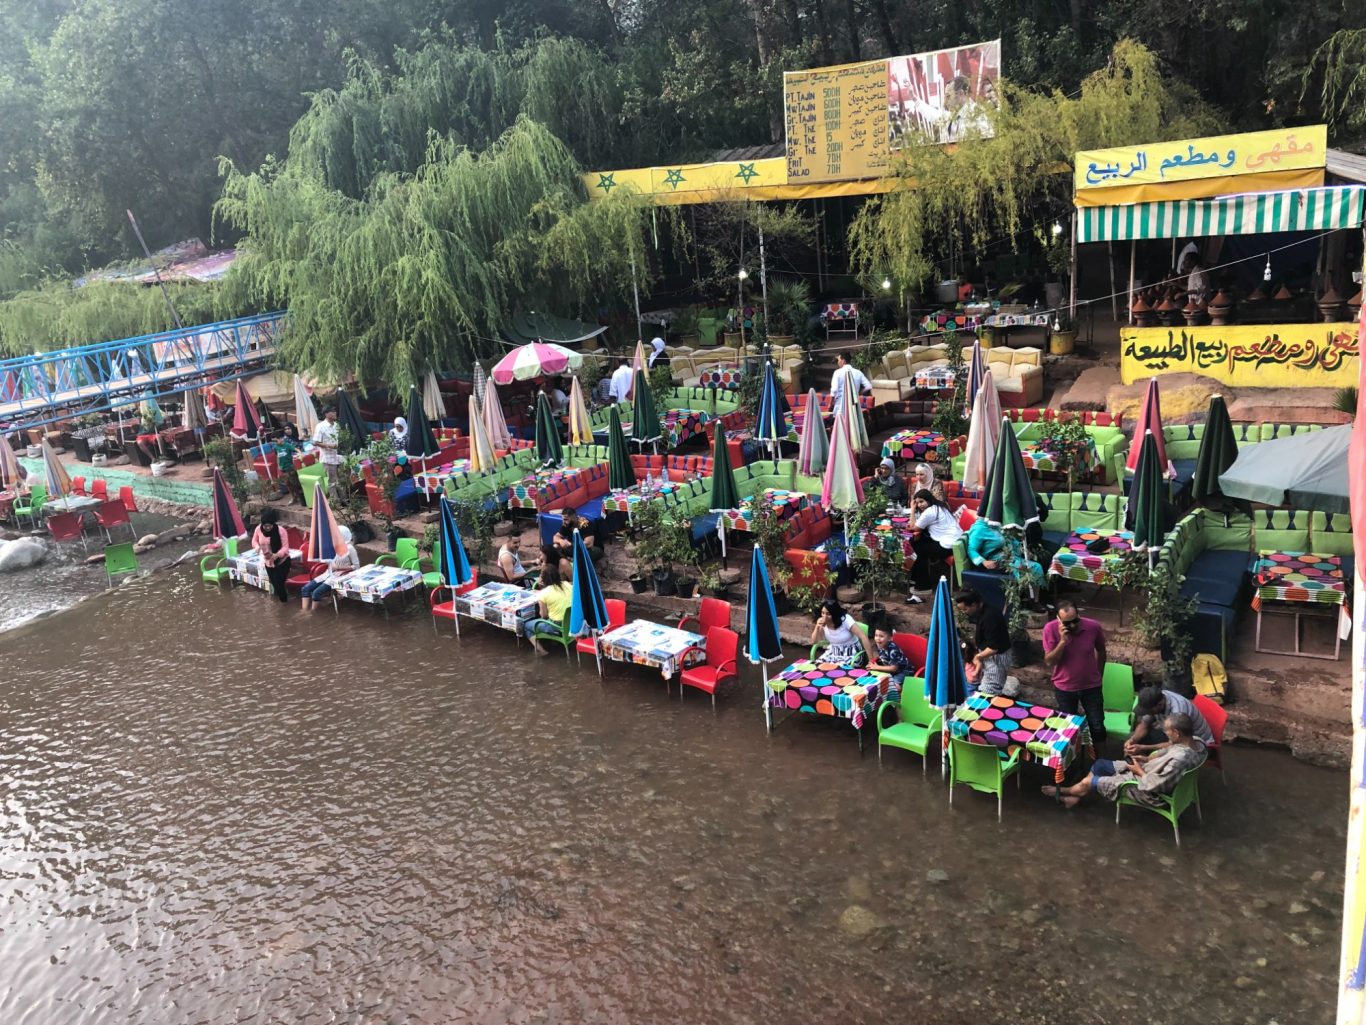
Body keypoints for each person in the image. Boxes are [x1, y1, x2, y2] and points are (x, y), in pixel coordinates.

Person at [1042, 712, 1207, 808]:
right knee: (1099, 764)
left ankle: (1065, 791)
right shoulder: (1198, 743)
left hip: (1147, 790)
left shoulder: (1180, 759)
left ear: (1177, 733)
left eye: (1169, 732)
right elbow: (1166, 752)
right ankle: (1077, 795)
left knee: (1090, 782)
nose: (1167, 734)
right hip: (1146, 770)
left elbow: (1156, 784)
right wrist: (1144, 757)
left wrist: (1138, 770)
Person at [1042, 600, 1108, 742]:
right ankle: (1071, 762)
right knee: (1067, 729)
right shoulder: (1050, 629)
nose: (1072, 625)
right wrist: (1062, 642)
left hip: (1091, 687)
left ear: (1079, 614)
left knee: (1097, 726)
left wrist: (1099, 674)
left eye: (1075, 621)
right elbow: (1049, 661)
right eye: (1067, 623)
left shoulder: (1093, 627)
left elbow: (1101, 651)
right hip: (1064, 688)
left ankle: (1100, 760)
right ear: (1058, 620)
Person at [955, 588, 1015, 697]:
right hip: (988, 654)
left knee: (988, 693)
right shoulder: (983, 610)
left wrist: (978, 657)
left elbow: (993, 648)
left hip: (996, 658)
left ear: (973, 604)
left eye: (965, 609)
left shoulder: (990, 617)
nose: (964, 613)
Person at [1126, 686, 1214, 754]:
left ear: (1159, 705)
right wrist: (1133, 740)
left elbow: (1175, 743)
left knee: (1156, 755)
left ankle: (1146, 770)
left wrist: (1143, 747)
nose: (1147, 713)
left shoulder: (1178, 712)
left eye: (1149, 711)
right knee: (1137, 739)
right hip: (1174, 734)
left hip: (1196, 743)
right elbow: (1144, 724)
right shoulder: (1158, 697)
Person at [908, 489, 963, 596]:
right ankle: (915, 579)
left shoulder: (929, 512)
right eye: (917, 503)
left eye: (922, 502)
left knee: (917, 549)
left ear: (928, 500)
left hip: (948, 545)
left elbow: (913, 528)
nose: (920, 505)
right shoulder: (940, 507)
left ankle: (923, 586)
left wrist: (913, 510)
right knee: (919, 543)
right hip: (956, 541)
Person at [299, 525, 359, 612]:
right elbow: (328, 560)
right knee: (305, 589)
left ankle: (312, 613)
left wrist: (339, 567)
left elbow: (356, 567)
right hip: (328, 573)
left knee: (316, 593)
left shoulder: (350, 549)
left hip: (340, 576)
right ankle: (304, 611)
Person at [965, 517, 1043, 582]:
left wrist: (1023, 550)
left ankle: (1036, 596)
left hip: (1011, 556)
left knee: (1039, 562)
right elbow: (971, 550)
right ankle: (1032, 598)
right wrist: (984, 562)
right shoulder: (979, 528)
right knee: (1035, 568)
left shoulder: (997, 524)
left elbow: (1009, 539)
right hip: (997, 561)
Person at [527, 562, 574, 656]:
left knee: (526, 625)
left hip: (557, 627)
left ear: (543, 579)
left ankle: (542, 651)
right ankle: (554, 643)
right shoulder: (568, 584)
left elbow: (543, 616)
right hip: (572, 622)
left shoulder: (543, 594)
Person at [811, 599, 875, 665]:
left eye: (828, 614)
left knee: (837, 670)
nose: (824, 617)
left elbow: (863, 636)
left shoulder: (845, 620)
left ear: (835, 614)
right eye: (823, 613)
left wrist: (871, 660)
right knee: (818, 666)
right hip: (833, 653)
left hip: (851, 654)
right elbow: (814, 642)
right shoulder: (822, 623)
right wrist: (817, 627)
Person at [252, 507, 293, 603]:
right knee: (275, 584)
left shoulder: (281, 531)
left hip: (282, 562)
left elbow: (286, 547)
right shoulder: (258, 529)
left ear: (273, 524)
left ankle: (285, 603)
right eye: (265, 526)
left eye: (269, 526)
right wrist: (257, 547)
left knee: (279, 584)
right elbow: (254, 540)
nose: (267, 528)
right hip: (268, 562)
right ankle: (284, 600)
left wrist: (277, 554)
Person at [867, 621, 914, 700]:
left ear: (890, 638)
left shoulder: (893, 650)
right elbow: (883, 658)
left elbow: (894, 668)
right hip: (891, 670)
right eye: (876, 635)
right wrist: (875, 664)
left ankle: (901, 693)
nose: (877, 638)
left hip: (904, 671)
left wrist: (877, 667)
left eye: (881, 636)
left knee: (893, 687)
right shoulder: (880, 644)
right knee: (875, 680)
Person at [275, 423, 306, 505]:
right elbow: (278, 456)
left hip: (297, 462)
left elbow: (298, 449)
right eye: (285, 429)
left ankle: (301, 497)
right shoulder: (282, 443)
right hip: (287, 466)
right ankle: (294, 497)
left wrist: (300, 453)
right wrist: (279, 466)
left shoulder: (296, 438)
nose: (287, 431)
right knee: (289, 483)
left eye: (289, 428)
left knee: (296, 482)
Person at [313, 406, 342, 485]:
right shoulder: (320, 426)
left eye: (335, 411)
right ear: (326, 414)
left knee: (341, 480)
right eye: (332, 411)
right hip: (328, 459)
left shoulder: (336, 425)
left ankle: (344, 497)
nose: (335, 413)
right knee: (332, 482)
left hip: (338, 457)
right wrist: (329, 446)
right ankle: (335, 498)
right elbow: (315, 442)